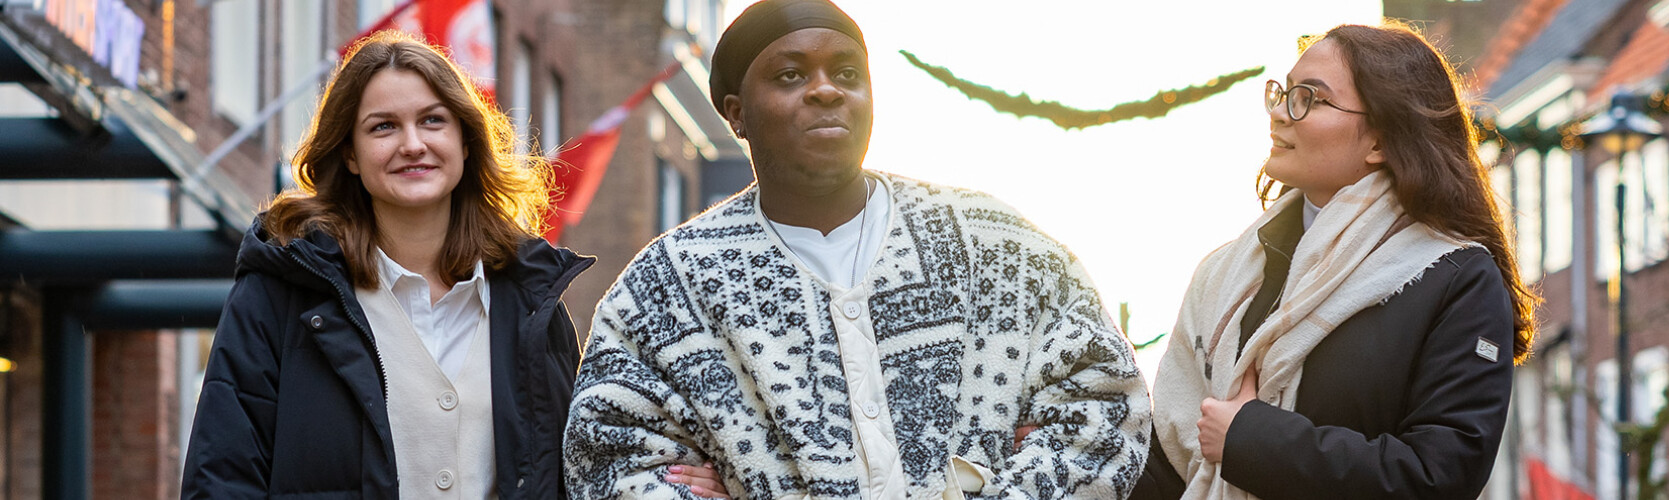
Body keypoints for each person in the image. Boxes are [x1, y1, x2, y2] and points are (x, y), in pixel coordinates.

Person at [562, 0, 1150, 498]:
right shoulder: (669, 285)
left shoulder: (996, 243)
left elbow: (1104, 399)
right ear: (738, 115)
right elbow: (610, 459)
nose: (825, 90)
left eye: (846, 73)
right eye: (791, 76)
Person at [1130, 23, 1538, 500]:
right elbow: (1166, 463)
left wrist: (1251, 439)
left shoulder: (1454, 279)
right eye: (1283, 93)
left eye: (1312, 98)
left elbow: (1441, 476)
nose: (1281, 112)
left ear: (1380, 142)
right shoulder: (1227, 275)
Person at [180, 30, 593, 499]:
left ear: (465, 142)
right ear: (351, 154)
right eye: (383, 127)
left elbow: (581, 475)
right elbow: (222, 480)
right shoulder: (278, 295)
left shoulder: (532, 303)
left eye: (433, 121)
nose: (412, 144)